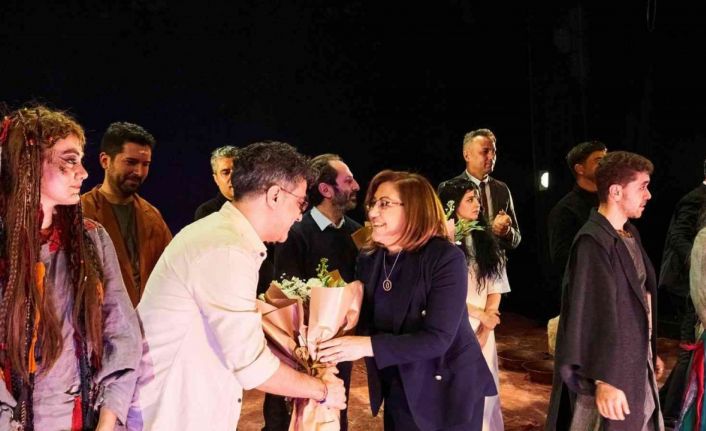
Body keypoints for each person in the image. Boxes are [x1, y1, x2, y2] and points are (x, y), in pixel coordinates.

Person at [127, 142, 346, 431]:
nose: (299, 216)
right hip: (171, 414)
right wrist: (323, 390)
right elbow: (252, 367)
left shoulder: (224, 237)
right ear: (275, 196)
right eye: (301, 203)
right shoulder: (226, 250)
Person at [318, 170, 496, 430]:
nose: (372, 213)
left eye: (384, 204)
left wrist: (366, 345)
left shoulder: (444, 258)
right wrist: (322, 338)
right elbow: (365, 319)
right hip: (398, 381)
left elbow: (438, 339)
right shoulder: (369, 258)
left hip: (447, 388)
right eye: (372, 204)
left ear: (415, 209)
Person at [0, 106, 141, 430]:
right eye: (69, 160)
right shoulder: (6, 250)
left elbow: (122, 334)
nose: (84, 173)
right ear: (29, 164)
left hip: (84, 419)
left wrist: (107, 421)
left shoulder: (90, 240)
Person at [545, 151, 664, 430]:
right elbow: (590, 312)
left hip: (633, 361)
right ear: (616, 191)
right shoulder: (592, 242)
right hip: (610, 373)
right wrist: (603, 379)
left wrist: (647, 349)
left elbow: (637, 299)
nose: (648, 195)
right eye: (642, 187)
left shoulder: (628, 233)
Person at [265, 153, 361, 431]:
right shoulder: (296, 232)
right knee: (286, 415)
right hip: (298, 350)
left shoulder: (357, 233)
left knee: (335, 410)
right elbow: (284, 293)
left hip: (339, 345)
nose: (356, 186)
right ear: (326, 190)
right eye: (348, 181)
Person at [439, 178, 508, 431]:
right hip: (453, 325)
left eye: (477, 198)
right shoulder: (441, 243)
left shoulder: (486, 241)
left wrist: (487, 325)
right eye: (470, 199)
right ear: (452, 204)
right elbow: (441, 293)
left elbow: (496, 286)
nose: (477, 204)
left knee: (485, 397)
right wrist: (478, 313)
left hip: (483, 330)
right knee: (456, 396)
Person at [81, 122, 172, 306]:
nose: (139, 172)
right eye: (131, 162)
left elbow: (171, 272)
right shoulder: (81, 211)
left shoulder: (152, 216)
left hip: (147, 319)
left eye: (145, 164)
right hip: (98, 318)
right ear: (105, 161)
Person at [658, 158, 706, 426]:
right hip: (688, 285)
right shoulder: (695, 198)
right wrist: (699, 261)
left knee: (690, 351)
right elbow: (678, 236)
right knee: (691, 350)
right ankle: (671, 415)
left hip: (695, 281)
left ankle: (668, 405)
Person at [546, 141, 607, 319]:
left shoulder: (611, 201)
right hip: (585, 293)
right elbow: (561, 258)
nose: (605, 164)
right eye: (598, 160)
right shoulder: (565, 210)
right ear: (580, 168)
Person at [438, 128, 520, 252]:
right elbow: (440, 235)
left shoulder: (502, 189)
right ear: (467, 155)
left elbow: (517, 238)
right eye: (485, 151)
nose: (492, 157)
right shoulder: (449, 188)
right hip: (461, 261)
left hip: (495, 263)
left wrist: (507, 231)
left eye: (494, 151)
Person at [194, 145, 239, 221]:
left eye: (237, 170)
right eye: (226, 173)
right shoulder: (206, 212)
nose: (233, 177)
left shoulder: (257, 206)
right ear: (216, 179)